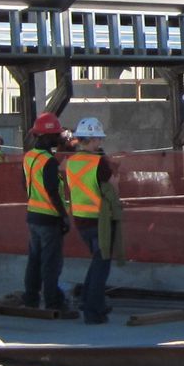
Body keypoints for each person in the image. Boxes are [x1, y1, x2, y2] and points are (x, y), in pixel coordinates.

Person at [62, 117, 119, 323]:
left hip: (81, 220)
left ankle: (88, 301)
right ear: (92, 139)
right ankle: (93, 311)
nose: (100, 143)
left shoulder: (71, 162)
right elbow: (113, 188)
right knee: (101, 266)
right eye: (98, 139)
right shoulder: (98, 162)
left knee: (97, 262)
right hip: (100, 219)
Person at [22, 112, 72, 311]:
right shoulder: (49, 161)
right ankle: (52, 301)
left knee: (34, 260)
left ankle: (31, 298)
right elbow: (52, 191)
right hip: (49, 219)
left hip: (33, 216)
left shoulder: (29, 157)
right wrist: (63, 216)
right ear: (46, 136)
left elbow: (24, 184)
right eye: (55, 134)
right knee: (51, 263)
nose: (58, 137)